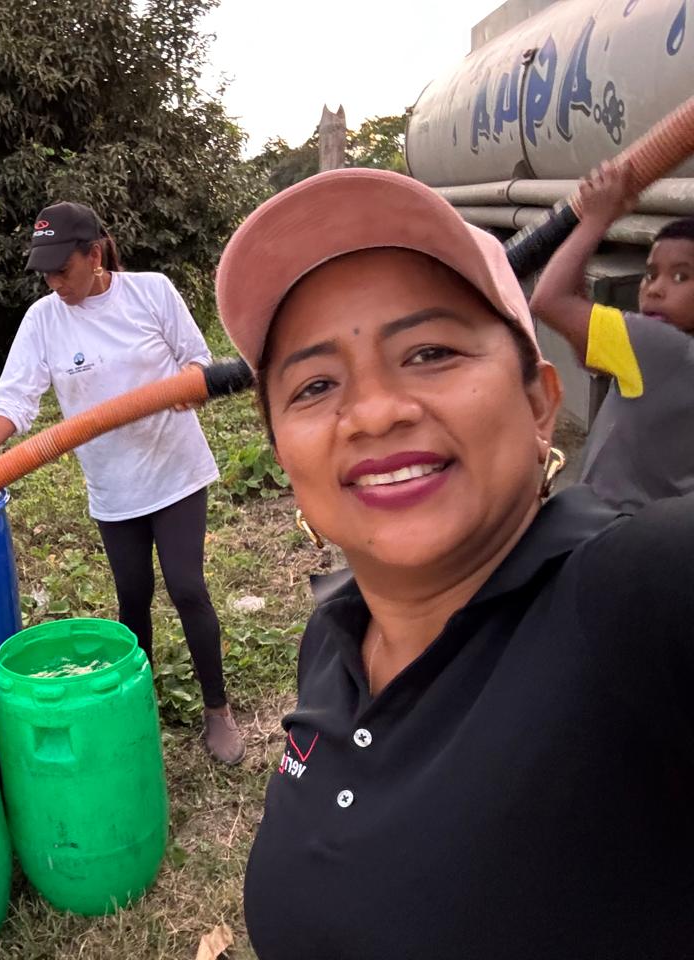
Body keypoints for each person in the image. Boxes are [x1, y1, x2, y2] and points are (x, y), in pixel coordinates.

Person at [216, 168, 694, 959]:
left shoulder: (631, 599)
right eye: (315, 384)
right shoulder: (333, 638)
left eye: (430, 351)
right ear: (284, 457)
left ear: (540, 403)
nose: (374, 412)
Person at [0, 200, 244, 764]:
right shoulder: (44, 320)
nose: (55, 283)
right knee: (133, 597)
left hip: (175, 469)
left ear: (95, 254)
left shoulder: (151, 292)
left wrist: (185, 386)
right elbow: (16, 401)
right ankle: (135, 708)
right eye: (46, 274)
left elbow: (196, 359)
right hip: (113, 486)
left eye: (63, 270)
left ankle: (217, 709)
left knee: (186, 587)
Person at [529, 161, 694, 511]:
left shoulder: (658, 347)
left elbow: (548, 301)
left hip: (604, 523)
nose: (655, 289)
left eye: (681, 277)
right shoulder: (675, 355)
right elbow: (586, 352)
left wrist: (596, 219)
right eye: (650, 274)